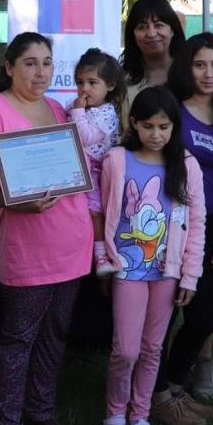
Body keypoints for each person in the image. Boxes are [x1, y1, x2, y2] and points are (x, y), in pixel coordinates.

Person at [0, 32, 92, 425]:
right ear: (10, 67)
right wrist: (12, 200)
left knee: (55, 335)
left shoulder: (57, 109)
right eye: (31, 63)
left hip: (71, 242)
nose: (41, 72)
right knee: (18, 339)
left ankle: (39, 412)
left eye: (48, 62)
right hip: (28, 249)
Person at [151, 33, 213, 425]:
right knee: (161, 318)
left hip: (209, 231)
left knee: (203, 319)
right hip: (165, 228)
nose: (208, 73)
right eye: (199, 64)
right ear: (186, 67)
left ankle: (173, 388)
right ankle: (156, 395)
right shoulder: (170, 108)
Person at [99, 86, 205, 425]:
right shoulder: (116, 160)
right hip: (128, 270)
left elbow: (196, 222)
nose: (156, 134)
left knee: (152, 349)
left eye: (164, 126)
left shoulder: (187, 165)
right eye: (148, 126)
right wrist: (103, 260)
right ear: (134, 124)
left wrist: (190, 275)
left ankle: (139, 418)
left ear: (174, 127)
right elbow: (103, 212)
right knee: (126, 349)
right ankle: (114, 417)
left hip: (167, 272)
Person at [69, 48, 127, 275]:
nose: (84, 89)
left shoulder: (107, 113)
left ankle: (101, 256)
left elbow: (86, 136)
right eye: (80, 82)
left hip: (96, 171)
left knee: (95, 213)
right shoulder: (84, 108)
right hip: (81, 169)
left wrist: (77, 112)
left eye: (93, 83)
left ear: (110, 85)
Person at [118, 0, 186, 123]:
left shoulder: (191, 74)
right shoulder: (120, 82)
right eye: (142, 27)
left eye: (159, 25)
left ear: (172, 30)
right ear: (132, 34)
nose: (151, 33)